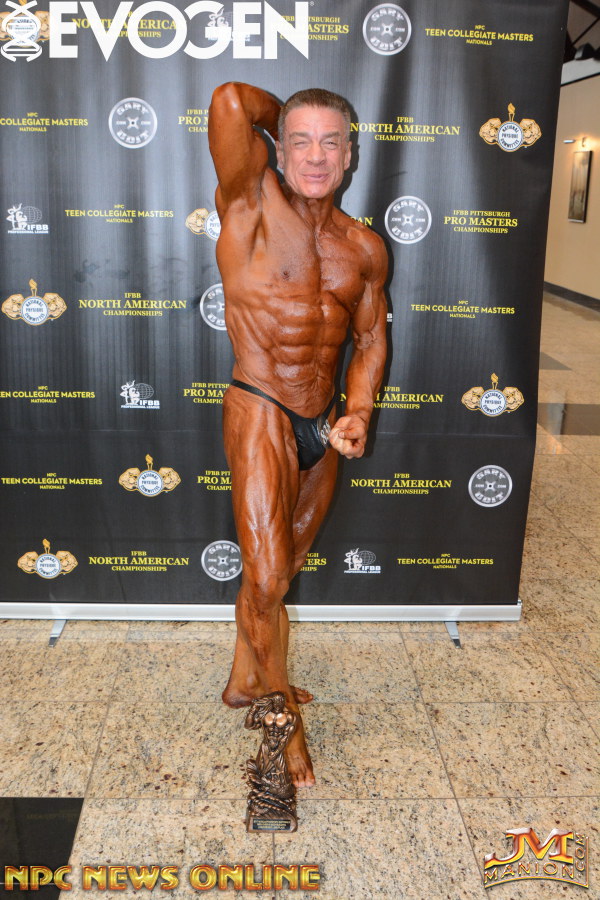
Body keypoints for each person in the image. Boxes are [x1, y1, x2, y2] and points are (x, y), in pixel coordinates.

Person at [208, 83, 388, 787]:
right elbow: (231, 101)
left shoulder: (363, 247)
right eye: (301, 141)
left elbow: (369, 340)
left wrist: (359, 410)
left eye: (330, 142)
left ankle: (243, 678)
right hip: (259, 406)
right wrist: (285, 114)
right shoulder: (248, 205)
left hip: (322, 424)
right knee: (267, 576)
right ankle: (281, 724)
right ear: (278, 151)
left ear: (350, 155)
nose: (316, 156)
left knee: (279, 573)